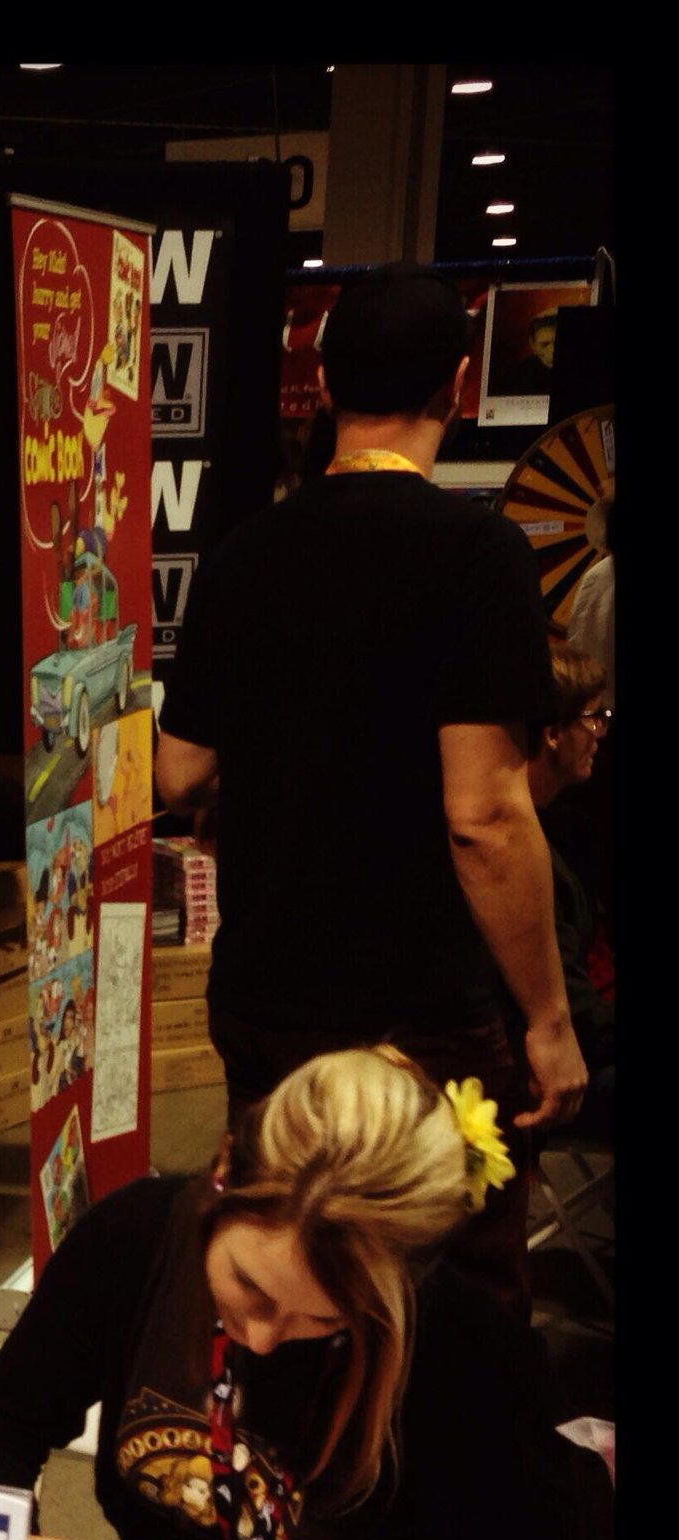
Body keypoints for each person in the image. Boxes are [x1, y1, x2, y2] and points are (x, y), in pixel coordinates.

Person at [0, 1047, 603, 1540]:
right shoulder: (131, 1241)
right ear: (224, 1172)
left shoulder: (464, 1339)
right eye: (247, 1286)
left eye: (321, 1320)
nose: (260, 1338)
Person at [155, 261, 585, 1310]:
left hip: (266, 999)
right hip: (417, 1012)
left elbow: (177, 770)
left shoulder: (244, 554)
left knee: (280, 1271)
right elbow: (483, 814)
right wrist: (546, 1018)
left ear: (324, 381)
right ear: (457, 385)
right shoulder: (476, 554)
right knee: (444, 1294)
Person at [524, 650, 614, 1138]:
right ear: (553, 733)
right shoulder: (523, 851)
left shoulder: (563, 828)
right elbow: (580, 1015)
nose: (601, 732)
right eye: (593, 717)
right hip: (553, 1071)